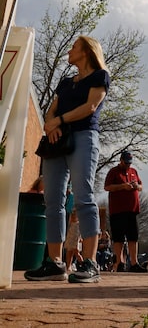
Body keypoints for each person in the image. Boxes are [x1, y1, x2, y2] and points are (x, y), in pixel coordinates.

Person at [24, 36, 109, 284]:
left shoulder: (100, 76)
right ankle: (55, 263)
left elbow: (90, 107)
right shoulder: (65, 82)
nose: (69, 51)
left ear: (86, 51)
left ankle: (90, 263)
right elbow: (52, 110)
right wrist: (51, 126)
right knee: (52, 200)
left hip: (83, 137)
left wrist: (60, 121)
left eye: (74, 47)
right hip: (56, 141)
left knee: (83, 196)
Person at [104, 150, 143, 272]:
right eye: (126, 163)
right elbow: (107, 187)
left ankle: (134, 263)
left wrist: (136, 186)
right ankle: (119, 262)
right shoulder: (113, 172)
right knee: (118, 237)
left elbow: (141, 186)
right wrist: (122, 186)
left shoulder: (133, 171)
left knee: (133, 237)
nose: (128, 165)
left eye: (129, 163)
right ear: (121, 160)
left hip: (132, 210)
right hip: (118, 210)